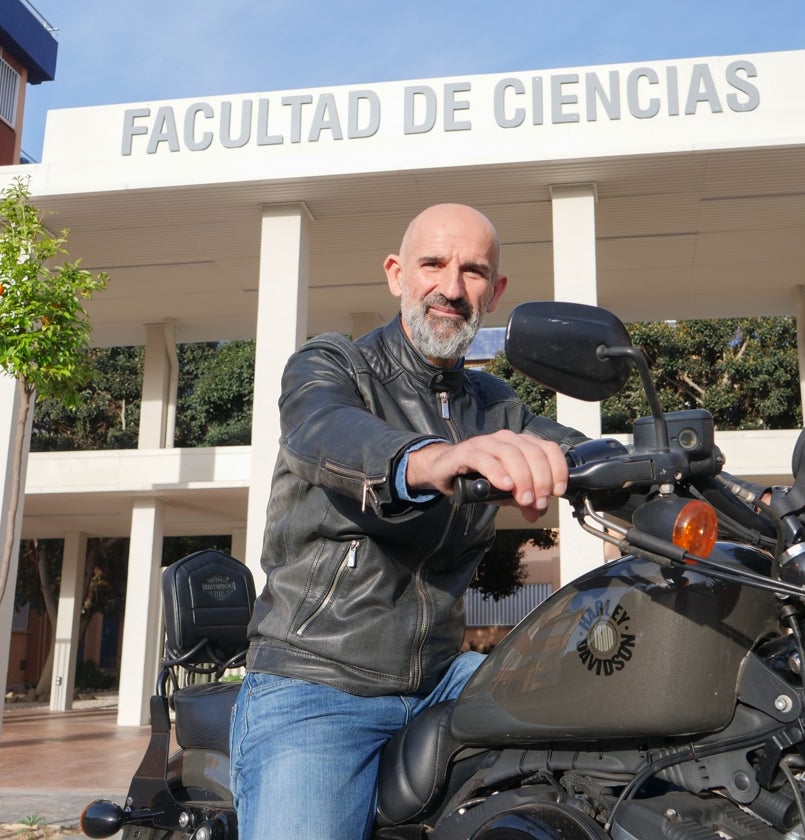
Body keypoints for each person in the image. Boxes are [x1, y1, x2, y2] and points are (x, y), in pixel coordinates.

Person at [229, 203, 586, 838]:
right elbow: (325, 430)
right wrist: (434, 459)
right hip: (316, 682)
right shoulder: (332, 366)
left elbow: (579, 451)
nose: (451, 288)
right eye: (433, 264)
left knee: (595, 751)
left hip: (445, 677)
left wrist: (684, 475)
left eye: (473, 271)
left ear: (495, 292)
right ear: (397, 274)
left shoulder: (494, 404)